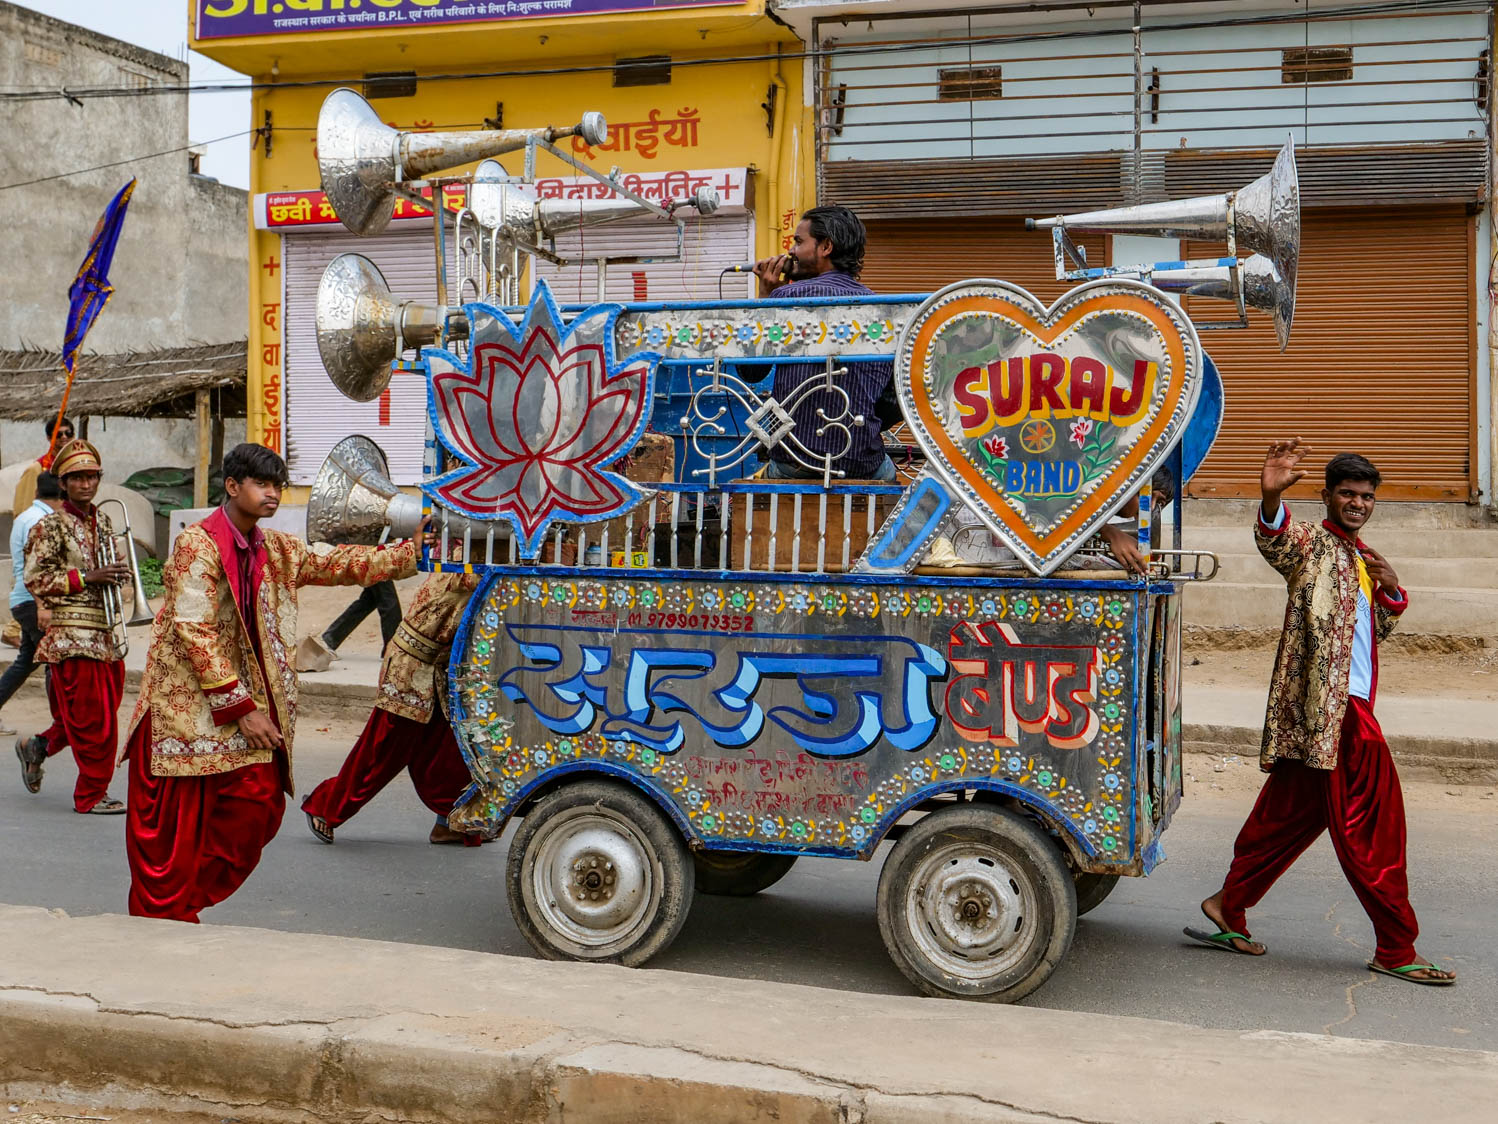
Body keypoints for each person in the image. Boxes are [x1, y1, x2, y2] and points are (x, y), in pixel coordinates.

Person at [1185, 439, 1455, 985]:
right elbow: (1276, 541)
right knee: (1376, 830)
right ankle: (1397, 947)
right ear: (1328, 496)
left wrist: (1392, 592)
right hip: (1335, 712)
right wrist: (1268, 497)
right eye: (1348, 494)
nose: (1358, 503)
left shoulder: (1362, 558)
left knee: (1284, 818)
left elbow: (1366, 636)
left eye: (1367, 497)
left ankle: (1228, 905)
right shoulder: (1309, 542)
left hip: (1331, 718)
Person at [122, 443, 428, 922]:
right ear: (233, 486)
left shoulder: (276, 549)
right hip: (188, 712)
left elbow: (337, 563)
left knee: (258, 808)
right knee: (175, 834)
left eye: (278, 487)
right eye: (263, 485)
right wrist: (243, 710)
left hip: (243, 708)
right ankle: (167, 919)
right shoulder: (195, 545)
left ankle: (180, 907)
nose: (273, 495)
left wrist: (414, 551)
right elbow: (194, 629)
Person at [301, 572, 482, 846]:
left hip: (436, 667)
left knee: (447, 749)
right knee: (380, 754)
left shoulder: (472, 558)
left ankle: (451, 820)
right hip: (410, 670)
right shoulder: (470, 569)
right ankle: (325, 809)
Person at [13, 442, 131, 813]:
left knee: (85, 718)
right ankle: (91, 795)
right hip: (71, 636)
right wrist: (89, 576)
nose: (85, 484)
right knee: (94, 724)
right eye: (77, 478)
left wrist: (116, 572)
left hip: (106, 634)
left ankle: (37, 747)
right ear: (62, 484)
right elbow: (36, 579)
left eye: (91, 476)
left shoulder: (105, 521)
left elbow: (105, 575)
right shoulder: (48, 526)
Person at [752, 206, 897, 482]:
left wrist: (765, 299)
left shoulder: (784, 298)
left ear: (826, 246)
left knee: (759, 478)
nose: (791, 252)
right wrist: (860, 423)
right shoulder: (882, 310)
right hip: (861, 461)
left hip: (794, 461)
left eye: (798, 241)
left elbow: (752, 372)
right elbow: (894, 399)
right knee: (889, 473)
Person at [2, 472, 65, 740]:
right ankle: (61, 723)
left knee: (26, 662)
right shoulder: (43, 521)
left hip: (23, 600)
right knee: (55, 661)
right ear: (60, 498)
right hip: (33, 601)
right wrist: (43, 606)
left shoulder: (24, 517)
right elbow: (35, 568)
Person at [318, 579, 402, 656]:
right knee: (388, 600)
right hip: (376, 564)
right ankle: (393, 649)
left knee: (370, 599)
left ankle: (330, 639)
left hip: (375, 564)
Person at [12, 418, 75, 519]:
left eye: (68, 433)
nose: (64, 437)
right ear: (49, 438)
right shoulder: (38, 468)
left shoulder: (75, 465)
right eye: (58, 434)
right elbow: (24, 509)